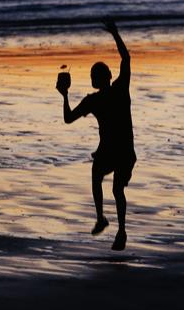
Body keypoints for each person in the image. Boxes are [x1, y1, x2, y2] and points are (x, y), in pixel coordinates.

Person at [56, 19, 136, 251]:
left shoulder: (94, 100)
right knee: (117, 189)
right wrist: (115, 34)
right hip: (125, 151)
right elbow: (127, 59)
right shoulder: (120, 89)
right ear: (110, 76)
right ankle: (121, 229)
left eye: (93, 74)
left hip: (112, 151)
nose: (92, 77)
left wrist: (64, 95)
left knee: (97, 176)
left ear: (96, 79)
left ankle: (102, 217)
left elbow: (68, 118)